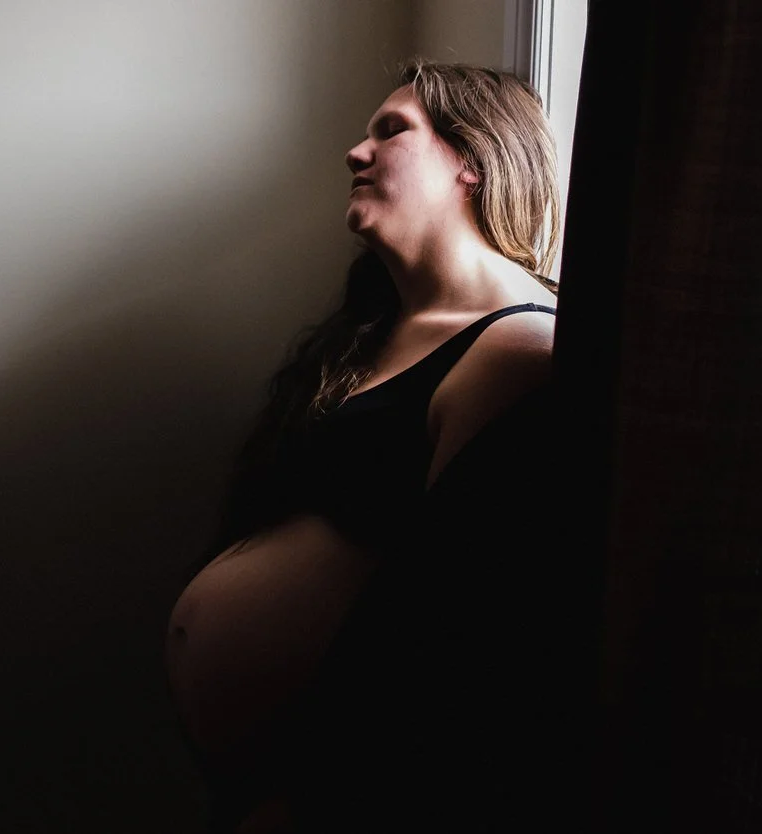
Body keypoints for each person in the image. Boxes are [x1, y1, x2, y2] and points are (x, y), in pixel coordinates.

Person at [165, 57, 568, 833]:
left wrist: (313, 801)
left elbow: (454, 636)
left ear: (474, 161)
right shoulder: (374, 338)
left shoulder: (515, 351)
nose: (356, 152)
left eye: (391, 130)